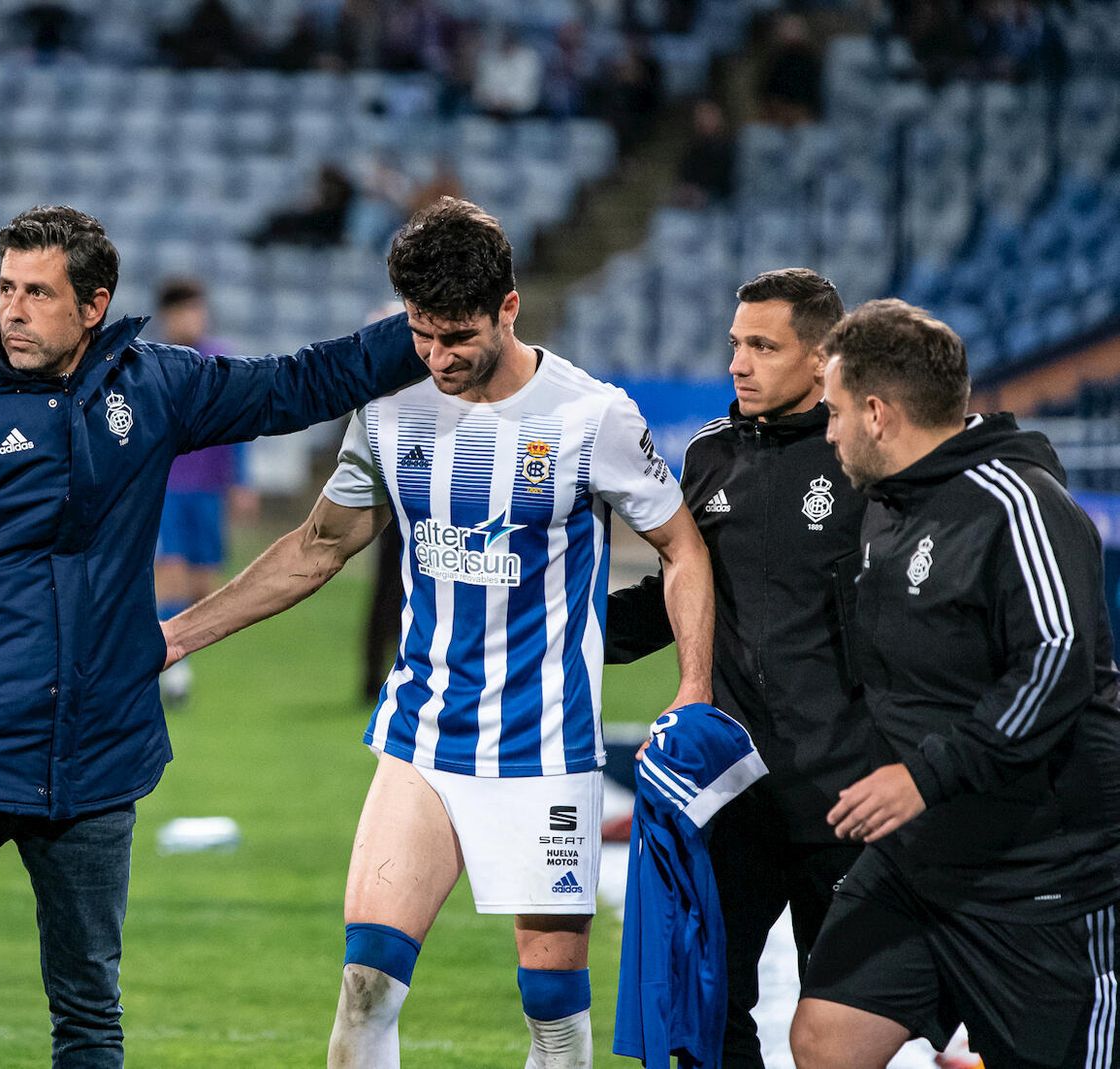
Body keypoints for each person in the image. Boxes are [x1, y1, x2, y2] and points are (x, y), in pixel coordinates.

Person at [0, 204, 426, 1068]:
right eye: (7, 287)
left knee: (89, 1015)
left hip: (95, 760)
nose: (12, 309)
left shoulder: (152, 387)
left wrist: (428, 325)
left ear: (93, 305)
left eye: (37, 293)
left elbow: (295, 384)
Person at [162, 197, 715, 1068]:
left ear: (509, 307)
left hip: (543, 746)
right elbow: (319, 546)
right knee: (365, 984)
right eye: (421, 332)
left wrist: (692, 689)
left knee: (554, 1017)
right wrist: (174, 638)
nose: (437, 356)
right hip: (422, 734)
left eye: (457, 336)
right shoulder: (391, 405)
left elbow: (683, 548)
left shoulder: (591, 416)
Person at [790, 299, 1120, 1068]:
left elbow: (1056, 660)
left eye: (833, 411)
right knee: (827, 1037)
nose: (828, 431)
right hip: (922, 857)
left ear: (877, 413)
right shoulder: (887, 506)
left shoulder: (1019, 503)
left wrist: (924, 776)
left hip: (1045, 872)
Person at [605, 268, 873, 1069]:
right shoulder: (710, 454)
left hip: (844, 792)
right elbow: (681, 594)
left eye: (762, 346)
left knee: (843, 1028)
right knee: (708, 1006)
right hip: (733, 788)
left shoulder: (865, 460)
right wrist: (566, 630)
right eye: (735, 344)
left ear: (821, 356)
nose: (738, 363)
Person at [152, 277, 257, 706]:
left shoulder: (220, 361)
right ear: (168, 316)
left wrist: (242, 481)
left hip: (209, 489)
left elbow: (238, 427)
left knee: (203, 583)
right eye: (184, 311)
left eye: (197, 310)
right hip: (168, 487)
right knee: (171, 570)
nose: (192, 319)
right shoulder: (154, 364)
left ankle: (175, 652)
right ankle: (172, 671)